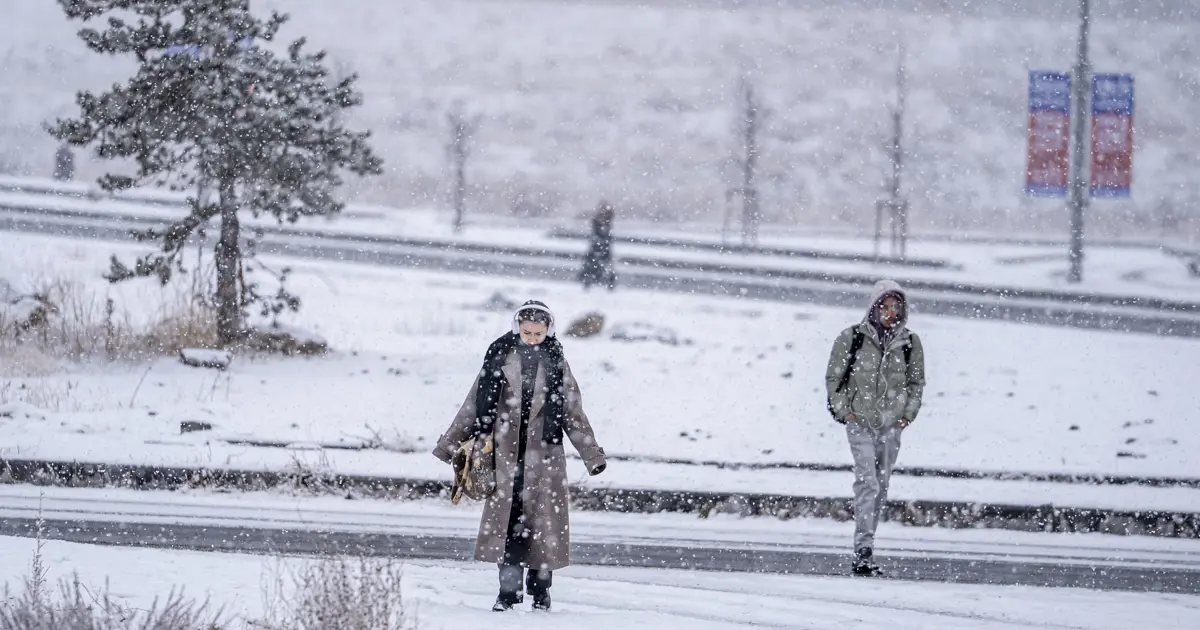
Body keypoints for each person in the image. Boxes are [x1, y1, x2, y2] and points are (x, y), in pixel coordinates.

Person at [434, 300, 608, 611]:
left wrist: (592, 455)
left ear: (549, 330)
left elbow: (573, 413)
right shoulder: (500, 354)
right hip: (505, 457)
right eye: (527, 332)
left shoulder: (557, 361)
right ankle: (507, 594)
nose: (532, 338)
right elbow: (473, 404)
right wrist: (449, 444)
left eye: (538, 333)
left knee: (544, 530)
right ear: (517, 327)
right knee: (508, 528)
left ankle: (541, 593)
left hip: (545, 457)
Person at [824, 280, 926, 577]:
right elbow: (833, 379)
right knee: (867, 482)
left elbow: (916, 383)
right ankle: (863, 550)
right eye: (885, 306)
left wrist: (907, 415)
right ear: (874, 307)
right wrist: (845, 412)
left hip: (891, 426)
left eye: (897, 307)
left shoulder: (910, 343)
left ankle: (867, 547)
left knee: (880, 485)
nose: (891, 313)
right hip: (860, 422)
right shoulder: (852, 338)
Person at [579, 201, 616, 291]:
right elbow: (599, 233)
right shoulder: (598, 221)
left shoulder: (606, 221)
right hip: (598, 247)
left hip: (602, 248)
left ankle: (606, 282)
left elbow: (605, 234)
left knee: (600, 266)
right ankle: (589, 281)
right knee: (593, 266)